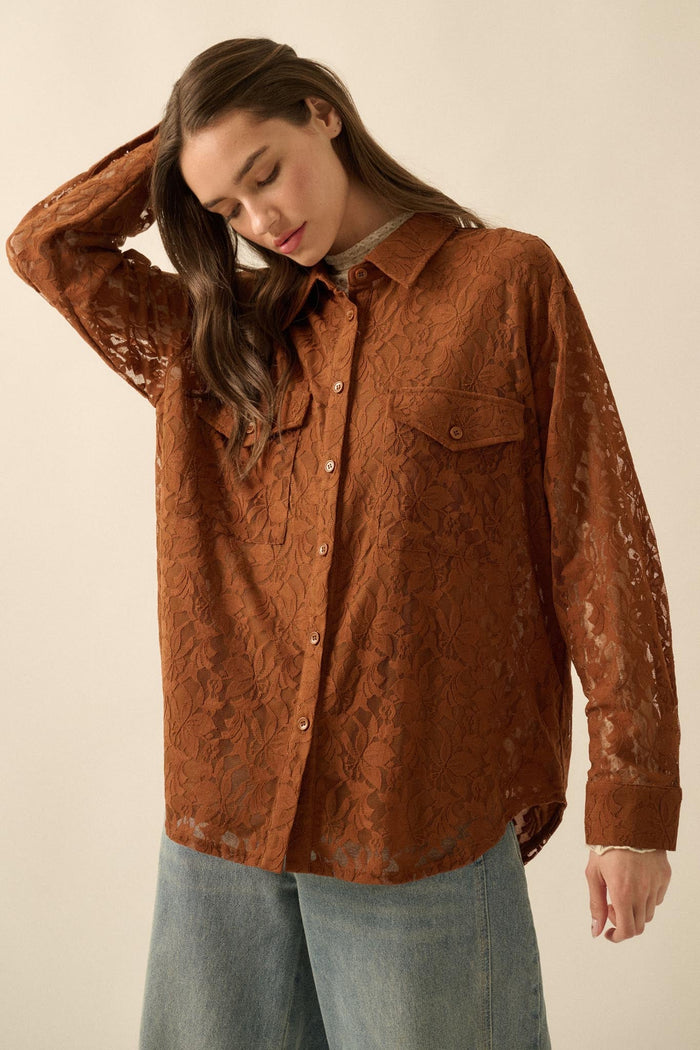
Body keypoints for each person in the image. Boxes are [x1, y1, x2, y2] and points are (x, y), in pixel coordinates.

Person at [6, 36, 681, 1050]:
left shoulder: (504, 282)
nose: (260, 220)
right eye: (226, 209)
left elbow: (600, 541)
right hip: (225, 833)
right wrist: (185, 142)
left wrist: (632, 807)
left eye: (265, 171)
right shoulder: (220, 336)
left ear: (322, 110)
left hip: (413, 819)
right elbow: (47, 247)